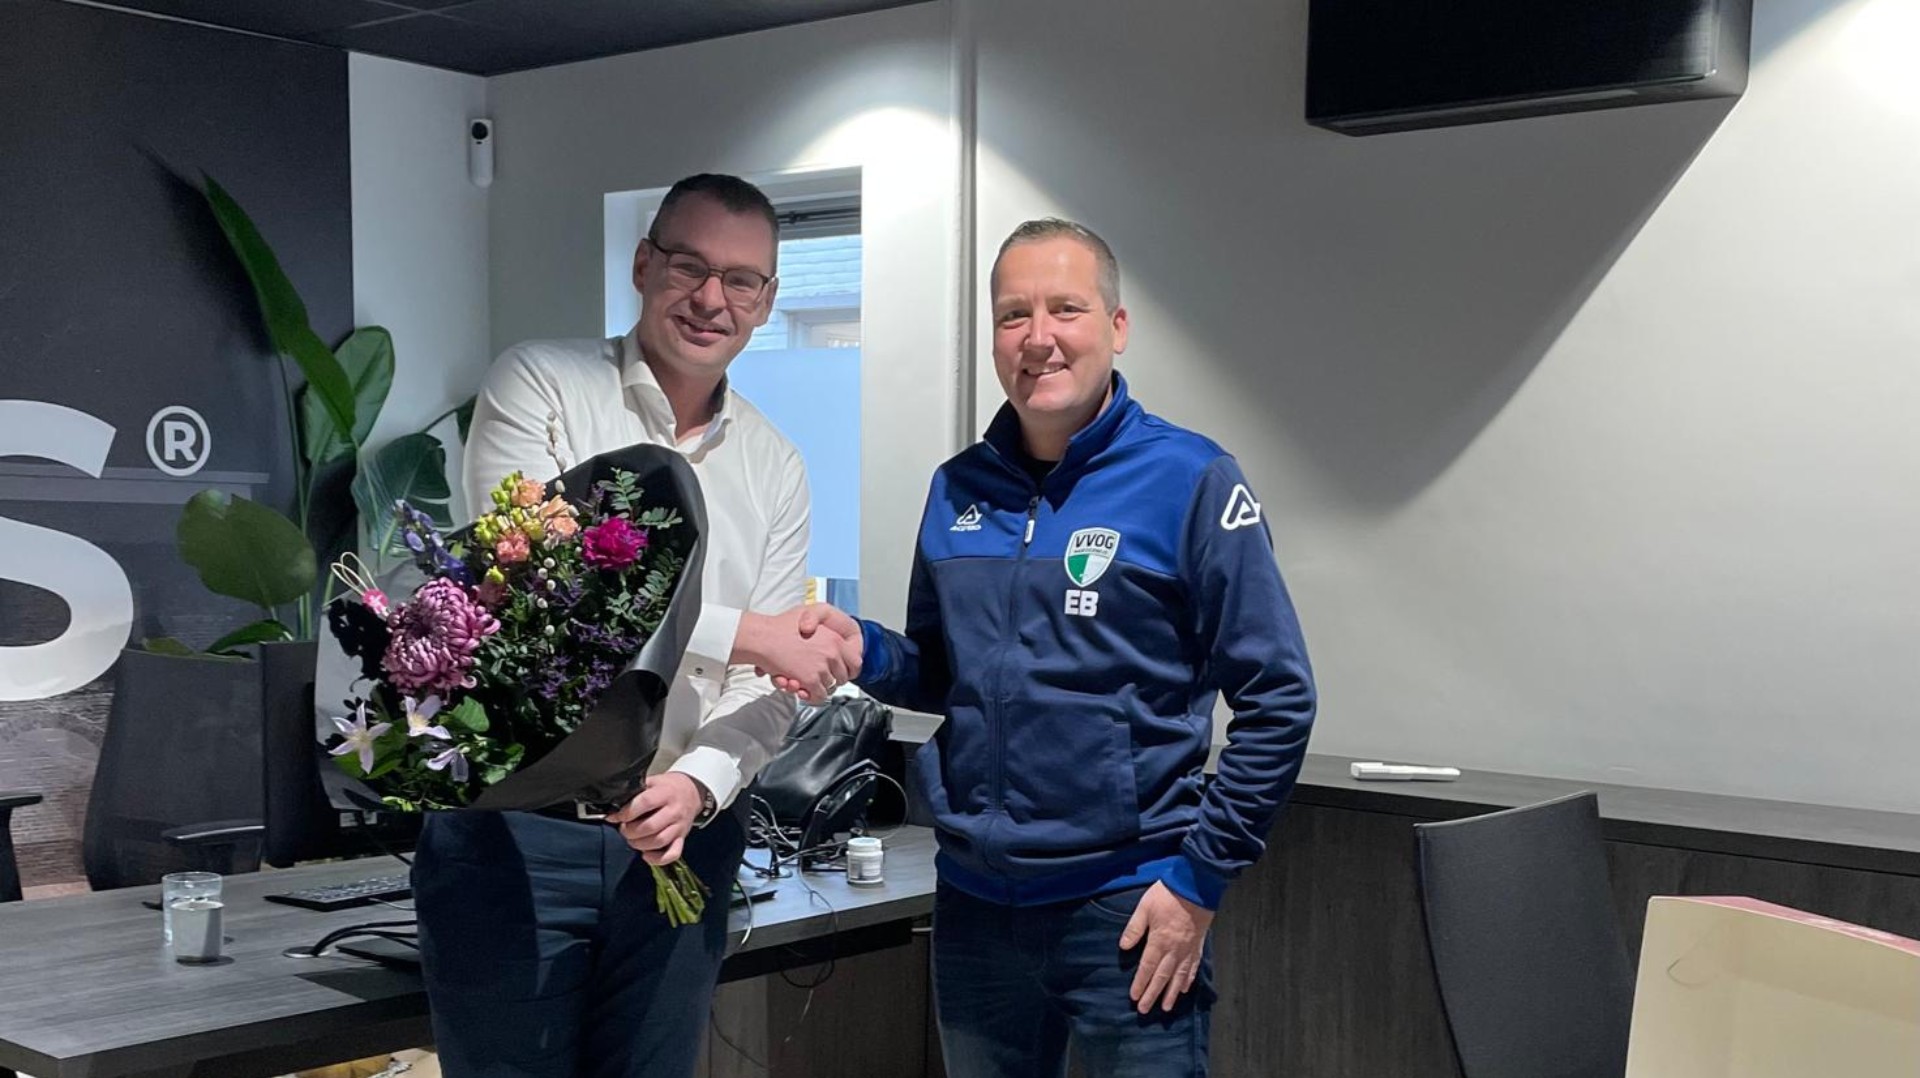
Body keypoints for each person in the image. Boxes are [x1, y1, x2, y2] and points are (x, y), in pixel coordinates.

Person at [775, 219, 1316, 1077]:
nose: (1038, 337)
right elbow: (946, 671)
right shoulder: (957, 487)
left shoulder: (1191, 480)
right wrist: (865, 650)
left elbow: (1279, 697)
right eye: (1013, 314)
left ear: (1117, 326)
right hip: (975, 910)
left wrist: (1199, 880)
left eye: (1066, 309)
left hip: (1130, 908)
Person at [415, 173, 859, 1078]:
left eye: (741, 280)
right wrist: (751, 633)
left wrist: (698, 783)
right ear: (643, 264)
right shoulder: (542, 383)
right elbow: (538, 593)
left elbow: (769, 688)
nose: (711, 298)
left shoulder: (775, 464)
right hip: (514, 833)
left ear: (767, 300)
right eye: (689, 266)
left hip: (680, 842)